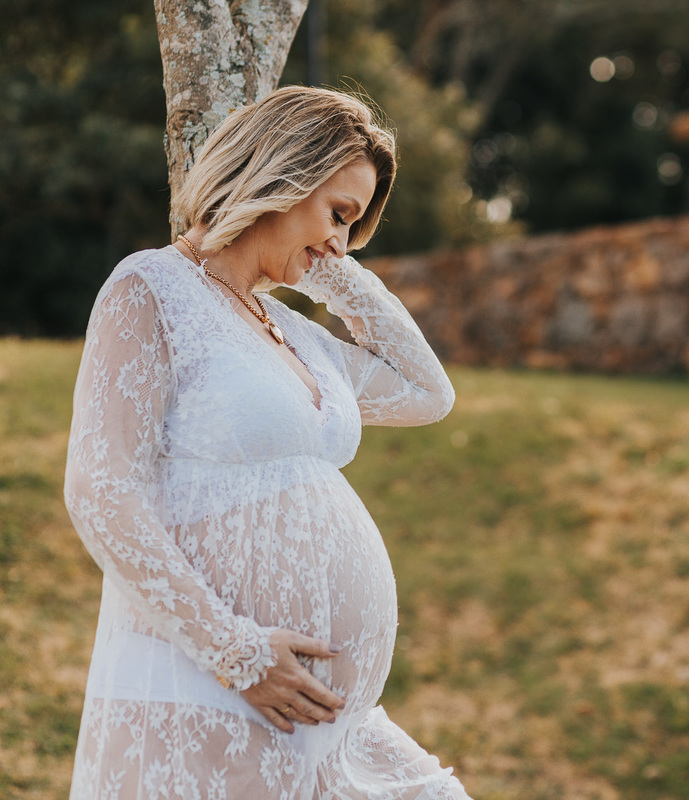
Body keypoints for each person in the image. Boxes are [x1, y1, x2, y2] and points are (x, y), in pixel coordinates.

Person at [63, 85, 472, 798]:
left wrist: (332, 266)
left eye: (355, 224)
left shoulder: (296, 336)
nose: (342, 240)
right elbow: (102, 492)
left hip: (323, 717)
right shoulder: (152, 288)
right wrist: (235, 653)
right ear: (280, 174)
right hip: (207, 688)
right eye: (338, 213)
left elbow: (426, 393)